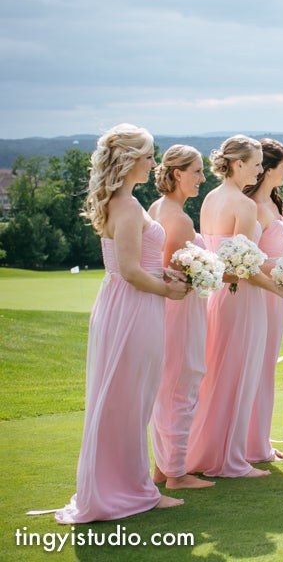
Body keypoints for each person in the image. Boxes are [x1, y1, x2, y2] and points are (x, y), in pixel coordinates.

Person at [55, 124, 189, 524]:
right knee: (128, 401)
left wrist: (166, 275)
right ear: (129, 160)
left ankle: (130, 486)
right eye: (148, 156)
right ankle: (129, 491)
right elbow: (130, 270)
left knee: (130, 399)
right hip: (133, 306)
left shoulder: (124, 201)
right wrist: (169, 291)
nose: (153, 163)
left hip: (128, 303)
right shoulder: (127, 206)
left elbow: (136, 265)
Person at [186, 135, 283, 478]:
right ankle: (231, 460)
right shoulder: (246, 206)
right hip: (244, 299)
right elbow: (244, 269)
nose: (258, 170)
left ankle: (213, 452)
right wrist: (279, 290)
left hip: (219, 297)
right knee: (240, 374)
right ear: (237, 164)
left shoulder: (209, 199)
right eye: (254, 164)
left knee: (219, 375)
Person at [148, 145, 215, 490]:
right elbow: (176, 271)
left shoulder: (158, 208)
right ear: (177, 174)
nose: (203, 178)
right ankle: (176, 473)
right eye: (197, 172)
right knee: (183, 383)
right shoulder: (179, 218)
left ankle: (163, 467)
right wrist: (211, 273)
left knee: (168, 385)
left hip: (169, 309)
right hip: (182, 309)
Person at [244, 138, 283, 463]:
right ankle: (249, 444)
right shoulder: (254, 209)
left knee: (267, 367)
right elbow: (252, 261)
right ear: (268, 170)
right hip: (261, 291)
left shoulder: (273, 203)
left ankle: (259, 439)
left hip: (278, 292)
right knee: (255, 366)